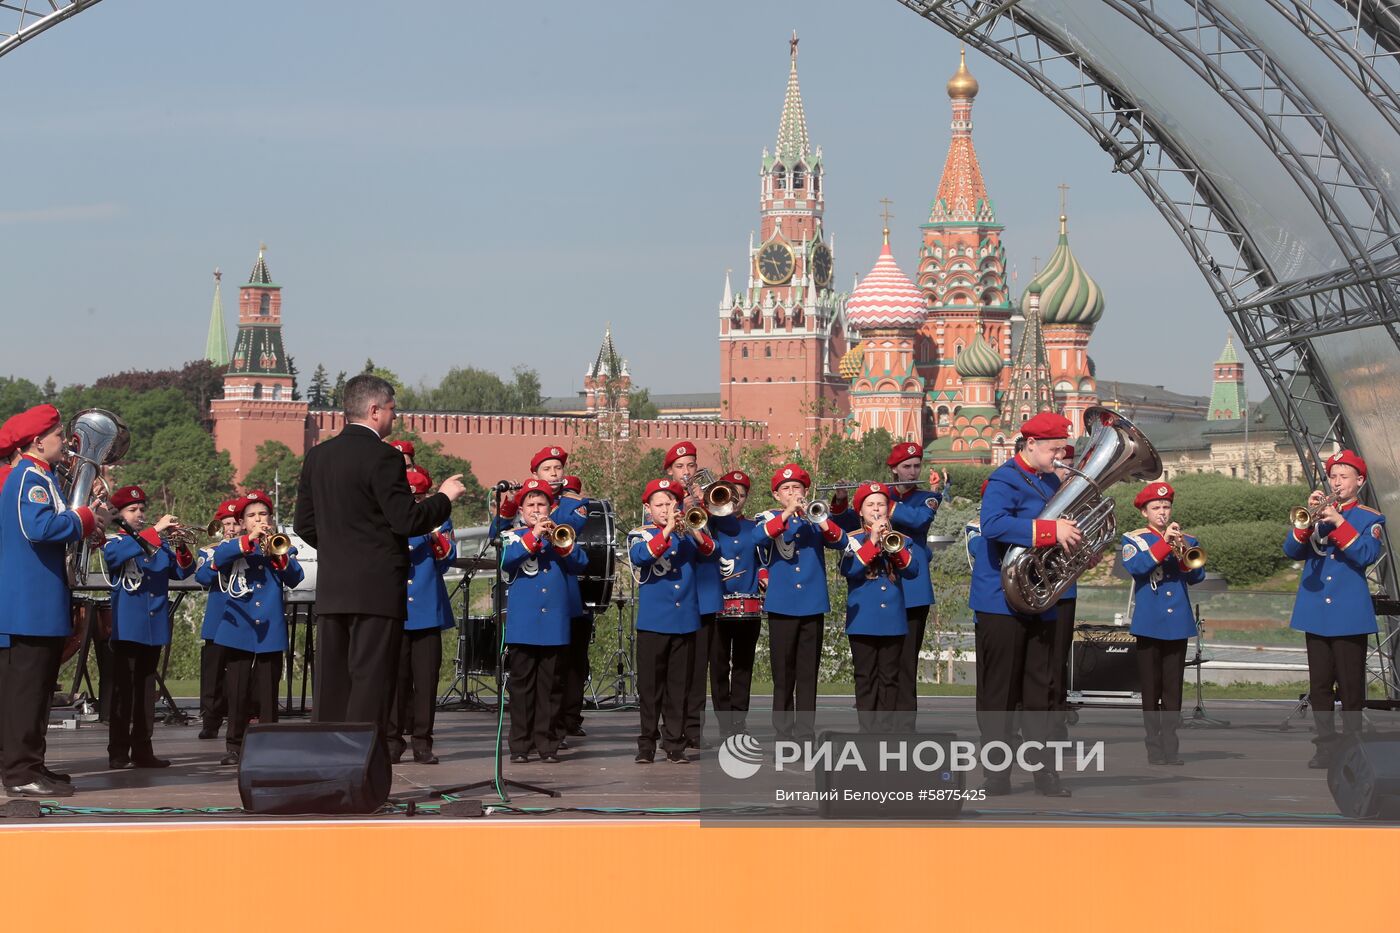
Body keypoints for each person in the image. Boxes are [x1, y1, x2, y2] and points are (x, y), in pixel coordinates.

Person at [294, 374, 467, 753]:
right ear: (374, 410)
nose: (394, 416)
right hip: (375, 588)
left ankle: (325, 760)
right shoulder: (384, 456)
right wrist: (443, 497)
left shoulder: (318, 456)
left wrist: (342, 551)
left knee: (332, 680)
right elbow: (407, 521)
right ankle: (360, 763)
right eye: (391, 409)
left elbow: (303, 524)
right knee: (370, 678)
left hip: (335, 586)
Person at [0, 404, 110, 797]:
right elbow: (39, 526)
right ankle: (19, 772)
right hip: (30, 605)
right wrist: (83, 518)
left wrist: (87, 523)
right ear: (37, 441)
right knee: (26, 693)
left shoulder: (41, 476)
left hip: (39, 603)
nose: (65, 442)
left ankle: (31, 764)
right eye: (59, 436)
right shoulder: (30, 476)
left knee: (37, 691)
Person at [973, 412, 1078, 798]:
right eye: (1053, 450)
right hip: (1000, 600)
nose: (1059, 457)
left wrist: (1077, 548)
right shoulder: (1004, 478)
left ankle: (1043, 772)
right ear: (1031, 445)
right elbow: (993, 524)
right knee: (998, 692)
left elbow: (1056, 533)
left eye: (1062, 450)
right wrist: (1052, 531)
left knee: (1041, 691)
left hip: (1039, 597)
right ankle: (997, 775)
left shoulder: (1050, 480)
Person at [1284, 449, 1386, 769]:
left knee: (1351, 688)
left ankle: (1354, 747)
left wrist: (1340, 522)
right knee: (1320, 687)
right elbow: (1291, 550)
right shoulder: (1317, 514)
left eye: (1344, 477)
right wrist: (1308, 520)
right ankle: (1325, 746)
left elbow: (1366, 554)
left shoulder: (1370, 518)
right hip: (1316, 613)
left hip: (1348, 615)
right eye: (1333, 476)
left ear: (1360, 481)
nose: (1337, 482)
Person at [831, 442, 944, 729]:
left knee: (903, 666)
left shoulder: (924, 498)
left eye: (916, 466)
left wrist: (884, 503)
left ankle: (904, 728)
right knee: (873, 670)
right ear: (894, 469)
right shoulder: (879, 496)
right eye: (906, 467)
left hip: (912, 587)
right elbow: (844, 524)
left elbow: (920, 521)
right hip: (876, 592)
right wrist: (845, 499)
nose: (912, 471)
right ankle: (875, 728)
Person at [101, 485, 195, 769]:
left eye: (142, 509)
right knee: (123, 693)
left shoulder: (157, 544)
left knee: (144, 694)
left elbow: (182, 572)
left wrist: (179, 544)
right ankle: (118, 751)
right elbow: (115, 559)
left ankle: (143, 749)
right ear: (119, 515)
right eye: (132, 510)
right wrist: (155, 531)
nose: (139, 514)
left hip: (154, 627)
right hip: (127, 628)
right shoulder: (114, 541)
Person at [211, 491, 304, 765]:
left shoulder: (281, 545)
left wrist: (279, 556)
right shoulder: (233, 546)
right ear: (241, 522)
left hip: (269, 628)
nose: (258, 519)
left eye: (262, 514)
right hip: (238, 626)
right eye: (251, 516)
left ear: (271, 519)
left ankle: (269, 744)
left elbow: (295, 577)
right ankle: (235, 745)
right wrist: (246, 541)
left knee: (267, 691)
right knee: (237, 690)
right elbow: (213, 565)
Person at [629, 478, 716, 763]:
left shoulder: (687, 533)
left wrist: (694, 529)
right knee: (651, 688)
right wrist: (667, 530)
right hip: (654, 622)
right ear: (648, 508)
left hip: (685, 621)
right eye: (660, 505)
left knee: (679, 687)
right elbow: (643, 557)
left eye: (670, 504)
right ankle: (646, 743)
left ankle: (674, 743)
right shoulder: (640, 534)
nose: (666, 509)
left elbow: (711, 552)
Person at [757, 463, 846, 742]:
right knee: (783, 674)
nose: (793, 493)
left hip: (811, 603)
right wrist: (786, 514)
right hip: (782, 604)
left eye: (797, 488)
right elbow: (756, 538)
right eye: (786, 489)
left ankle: (806, 732)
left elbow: (840, 541)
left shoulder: (814, 518)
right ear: (776, 495)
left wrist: (820, 518)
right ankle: (783, 731)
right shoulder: (769, 517)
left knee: (808, 674)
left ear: (806, 491)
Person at [501, 479, 586, 764]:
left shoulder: (562, 536)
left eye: (542, 505)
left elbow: (581, 562)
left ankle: (548, 743)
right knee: (521, 686)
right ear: (522, 511)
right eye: (531, 505)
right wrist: (533, 536)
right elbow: (508, 561)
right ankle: (520, 745)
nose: (537, 510)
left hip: (554, 625)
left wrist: (559, 543)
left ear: (552, 508)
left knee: (552, 686)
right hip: (523, 624)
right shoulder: (513, 536)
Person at [1120, 482, 1205, 765]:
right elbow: (1138, 568)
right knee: (1150, 689)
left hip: (1177, 623)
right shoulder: (1134, 540)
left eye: (1166, 507)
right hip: (1149, 623)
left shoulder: (1187, 539)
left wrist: (1182, 552)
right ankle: (1153, 747)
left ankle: (1171, 747)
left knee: (1173, 691)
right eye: (1156, 508)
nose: (1162, 512)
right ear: (1145, 512)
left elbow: (1196, 577)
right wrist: (1164, 543)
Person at [387, 465, 456, 765]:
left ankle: (422, 741)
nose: (415, 504)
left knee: (426, 681)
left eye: (420, 498)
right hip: (396, 609)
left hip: (427, 610)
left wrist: (434, 535)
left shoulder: (439, 522)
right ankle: (391, 739)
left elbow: (446, 561)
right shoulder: (391, 518)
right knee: (395, 680)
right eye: (410, 498)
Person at [839, 482, 914, 732]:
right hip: (863, 617)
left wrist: (893, 546)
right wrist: (872, 541)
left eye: (881, 504)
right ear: (860, 511)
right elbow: (849, 571)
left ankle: (886, 728)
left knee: (890, 677)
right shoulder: (852, 540)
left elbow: (912, 571)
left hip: (892, 617)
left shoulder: (902, 540)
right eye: (870, 505)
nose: (876, 509)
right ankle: (867, 729)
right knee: (865, 676)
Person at [664, 442, 723, 749]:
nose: (686, 472)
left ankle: (693, 729)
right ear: (669, 472)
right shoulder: (661, 501)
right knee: (673, 668)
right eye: (680, 467)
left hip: (704, 591)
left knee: (699, 666)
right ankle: (671, 728)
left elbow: (726, 528)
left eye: (690, 465)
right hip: (674, 592)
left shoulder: (709, 497)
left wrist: (705, 505)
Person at [707, 471, 767, 738]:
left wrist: (764, 575)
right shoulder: (708, 524)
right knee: (718, 666)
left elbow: (765, 559)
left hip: (748, 603)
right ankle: (723, 722)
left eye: (740, 495)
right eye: (730, 494)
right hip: (716, 603)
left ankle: (738, 720)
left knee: (743, 665)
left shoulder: (754, 526)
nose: (735, 500)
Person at [195, 498, 241, 739]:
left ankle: (239, 719)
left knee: (239, 675)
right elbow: (202, 577)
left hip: (241, 621)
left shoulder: (248, 550)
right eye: (227, 524)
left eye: (235, 523)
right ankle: (210, 721)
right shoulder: (210, 550)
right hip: (217, 622)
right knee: (212, 676)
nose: (231, 528)